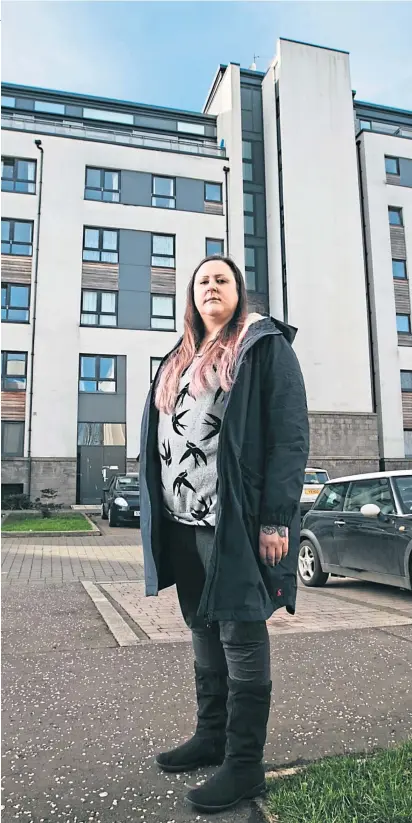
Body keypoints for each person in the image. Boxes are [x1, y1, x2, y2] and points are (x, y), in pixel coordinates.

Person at [139, 255, 309, 813]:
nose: (212, 286)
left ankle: (244, 766)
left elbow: (288, 437)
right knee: (201, 626)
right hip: (183, 521)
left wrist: (277, 518)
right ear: (191, 296)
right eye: (203, 280)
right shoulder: (178, 358)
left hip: (233, 522)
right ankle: (211, 736)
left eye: (223, 279)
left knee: (239, 632)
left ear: (239, 293)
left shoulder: (263, 348)